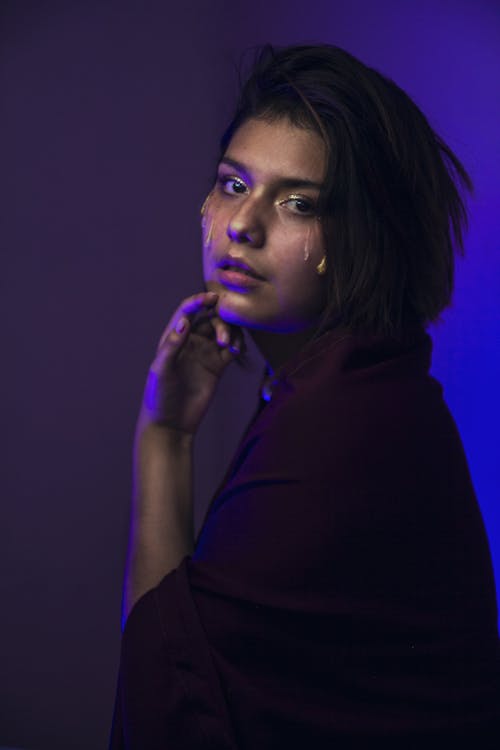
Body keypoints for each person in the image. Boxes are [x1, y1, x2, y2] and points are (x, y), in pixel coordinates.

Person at [109, 44, 500, 748]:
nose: (243, 226)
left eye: (297, 203)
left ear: (364, 239)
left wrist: (163, 439)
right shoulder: (365, 389)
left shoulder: (344, 429)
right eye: (233, 185)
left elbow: (164, 700)